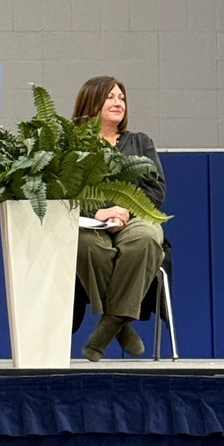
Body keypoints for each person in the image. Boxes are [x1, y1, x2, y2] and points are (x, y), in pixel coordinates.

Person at [72, 75, 166, 362]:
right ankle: (121, 325)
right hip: (90, 222)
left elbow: (156, 190)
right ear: (92, 101)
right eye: (110, 97)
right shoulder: (71, 145)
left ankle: (109, 325)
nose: (118, 102)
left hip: (133, 218)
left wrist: (126, 210)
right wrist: (96, 212)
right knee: (89, 247)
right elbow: (60, 193)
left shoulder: (140, 142)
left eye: (121, 98)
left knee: (147, 239)